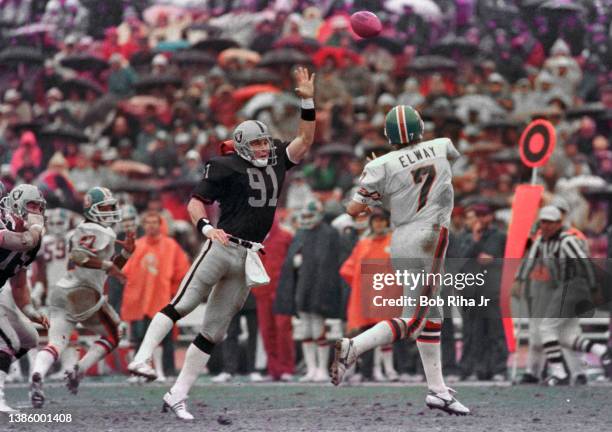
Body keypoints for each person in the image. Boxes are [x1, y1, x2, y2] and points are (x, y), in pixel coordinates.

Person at [127, 67, 316, 420]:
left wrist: (307, 100)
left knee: (214, 330)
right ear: (242, 147)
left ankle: (177, 394)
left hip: (248, 256)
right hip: (222, 246)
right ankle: (141, 357)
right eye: (256, 144)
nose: (263, 148)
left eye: (264, 142)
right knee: (183, 303)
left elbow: (304, 140)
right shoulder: (224, 166)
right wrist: (204, 227)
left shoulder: (276, 160)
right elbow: (195, 202)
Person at [330, 105, 470, 415]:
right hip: (429, 235)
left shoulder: (381, 165)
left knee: (431, 314)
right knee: (416, 318)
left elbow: (353, 210)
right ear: (420, 126)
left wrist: (380, 192)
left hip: (402, 237)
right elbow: (437, 171)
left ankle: (437, 390)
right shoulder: (442, 145)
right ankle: (355, 346)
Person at [30, 187, 135, 408]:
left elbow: (107, 269)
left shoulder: (81, 230)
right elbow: (79, 256)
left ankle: (37, 374)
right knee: (116, 333)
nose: (111, 212)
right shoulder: (103, 232)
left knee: (56, 343)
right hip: (84, 293)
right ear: (93, 210)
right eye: (106, 208)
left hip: (61, 292)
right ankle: (77, 370)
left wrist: (125, 254)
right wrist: (108, 263)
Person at [514, 206, 611, 385]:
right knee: (566, 336)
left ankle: (559, 373)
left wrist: (593, 287)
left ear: (559, 223)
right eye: (543, 221)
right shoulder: (542, 241)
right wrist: (519, 279)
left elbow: (585, 263)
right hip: (563, 287)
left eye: (551, 222)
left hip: (574, 285)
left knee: (546, 328)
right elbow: (530, 261)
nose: (546, 225)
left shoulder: (567, 240)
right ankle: (602, 351)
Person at [121, 210, 190, 382]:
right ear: (143, 225)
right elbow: (125, 272)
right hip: (139, 300)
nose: (151, 226)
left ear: (160, 225)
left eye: (154, 222)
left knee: (165, 339)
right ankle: (139, 372)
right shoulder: (137, 245)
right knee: (138, 337)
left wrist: (174, 293)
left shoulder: (171, 246)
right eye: (148, 222)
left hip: (162, 299)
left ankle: (166, 372)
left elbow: (182, 271)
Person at [0, 184, 49, 413]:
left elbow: (19, 285)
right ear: (17, 206)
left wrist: (31, 311)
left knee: (29, 338)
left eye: (40, 208)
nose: (36, 212)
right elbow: (19, 241)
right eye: (31, 206)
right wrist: (34, 233)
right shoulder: (3, 223)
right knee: (9, 341)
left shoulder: (33, 240)